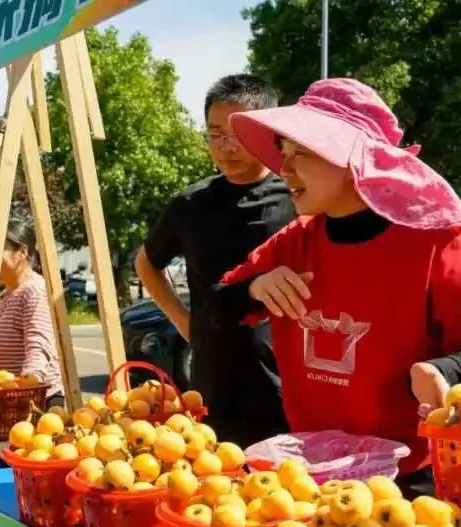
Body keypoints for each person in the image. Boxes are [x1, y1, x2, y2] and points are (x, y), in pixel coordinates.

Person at [209, 78, 461, 495]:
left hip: (407, 482)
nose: (284, 169)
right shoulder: (293, 242)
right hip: (309, 476)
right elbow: (215, 307)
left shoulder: (435, 242)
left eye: (301, 153)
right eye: (284, 153)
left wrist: (443, 370)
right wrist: (254, 289)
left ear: (354, 159)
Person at [135, 74, 296, 447]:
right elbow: (147, 262)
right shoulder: (191, 204)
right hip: (213, 379)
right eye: (215, 134)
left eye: (237, 134)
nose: (226, 147)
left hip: (284, 381)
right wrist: (185, 322)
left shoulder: (296, 197)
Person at [0, 217, 64, 407]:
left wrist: (27, 385)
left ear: (22, 252)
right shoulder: (5, 294)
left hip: (35, 401)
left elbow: (39, 345)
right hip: (9, 400)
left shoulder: (33, 291)